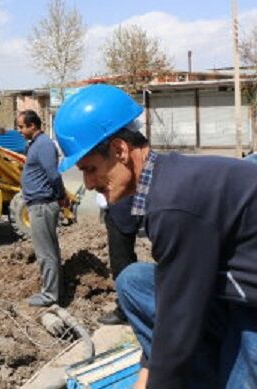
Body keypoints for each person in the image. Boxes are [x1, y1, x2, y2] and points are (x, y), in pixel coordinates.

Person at [54, 83, 257, 388]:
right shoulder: (163, 183)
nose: (89, 182)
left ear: (120, 150)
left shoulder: (175, 204)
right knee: (133, 280)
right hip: (231, 290)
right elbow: (173, 298)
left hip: (251, 304)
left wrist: (154, 379)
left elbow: (179, 318)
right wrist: (150, 369)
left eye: (91, 169)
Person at [16, 109, 66, 307]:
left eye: (21, 126)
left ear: (32, 125)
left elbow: (53, 175)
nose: (19, 130)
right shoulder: (36, 145)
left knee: (45, 252)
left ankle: (50, 295)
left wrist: (61, 196)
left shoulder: (44, 145)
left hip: (43, 205)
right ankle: (53, 290)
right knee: (48, 250)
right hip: (38, 204)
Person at [95, 192, 140, 325]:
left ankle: (125, 311)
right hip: (118, 210)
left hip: (121, 212)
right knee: (123, 260)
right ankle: (129, 305)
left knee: (121, 263)